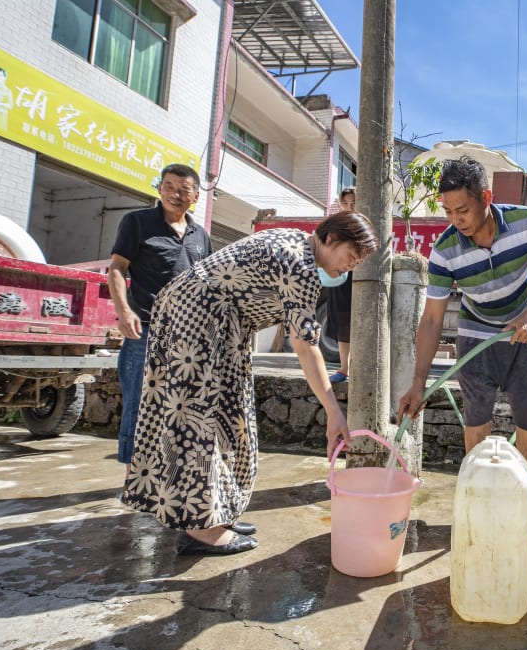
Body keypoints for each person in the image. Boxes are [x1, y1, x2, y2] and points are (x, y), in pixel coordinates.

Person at [120, 212, 378, 556]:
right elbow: (305, 346)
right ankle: (200, 529)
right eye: (351, 258)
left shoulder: (296, 242)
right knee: (199, 419)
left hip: (217, 324)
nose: (349, 269)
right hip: (198, 322)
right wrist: (334, 411)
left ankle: (216, 510)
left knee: (231, 416)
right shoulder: (300, 264)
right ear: (331, 239)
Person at [396, 156, 527, 535]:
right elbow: (433, 318)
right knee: (476, 416)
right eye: (449, 211)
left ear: (486, 197)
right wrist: (419, 382)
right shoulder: (445, 250)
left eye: (464, 209)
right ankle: (478, 500)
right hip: (475, 334)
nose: (457, 219)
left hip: (522, 330)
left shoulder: (525, 223)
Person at [108, 164, 213, 468]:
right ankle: (132, 476)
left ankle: (164, 473)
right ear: (159, 188)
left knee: (180, 406)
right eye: (168, 186)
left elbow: (208, 283)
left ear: (195, 197)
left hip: (188, 336)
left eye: (183, 189)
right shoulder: (137, 222)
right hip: (146, 330)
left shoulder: (200, 236)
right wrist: (123, 311)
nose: (175, 194)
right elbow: (117, 267)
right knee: (139, 404)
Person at [325, 187, 357, 383]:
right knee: (341, 322)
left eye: (353, 202)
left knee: (360, 324)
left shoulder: (365, 223)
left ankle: (357, 367)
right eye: (345, 202)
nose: (349, 206)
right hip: (339, 277)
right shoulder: (336, 224)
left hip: (360, 278)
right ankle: (344, 368)